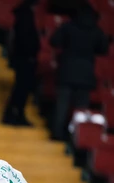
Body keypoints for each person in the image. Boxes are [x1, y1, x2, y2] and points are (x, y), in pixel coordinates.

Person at [49, 0, 109, 140]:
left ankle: (57, 134)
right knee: (80, 110)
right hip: (86, 75)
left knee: (62, 105)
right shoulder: (96, 30)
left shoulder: (68, 26)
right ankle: (77, 138)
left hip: (67, 71)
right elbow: (104, 49)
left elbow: (54, 41)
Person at [2, 0, 39, 127]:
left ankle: (15, 114)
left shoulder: (23, 15)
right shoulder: (26, 16)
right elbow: (25, 39)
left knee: (20, 88)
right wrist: (31, 54)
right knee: (21, 89)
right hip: (25, 58)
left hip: (22, 58)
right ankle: (14, 114)